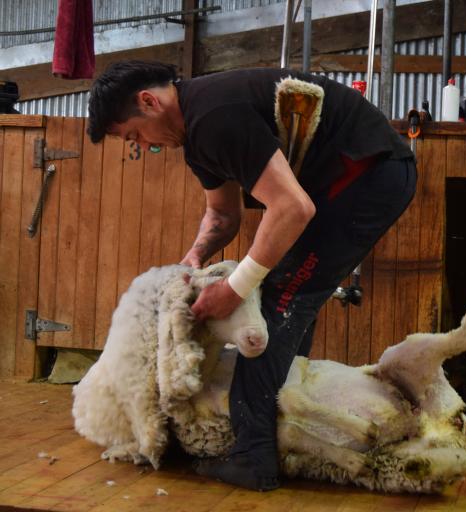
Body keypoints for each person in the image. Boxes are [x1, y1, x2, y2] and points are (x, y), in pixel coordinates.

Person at [87, 60, 416, 491]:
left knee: (279, 299)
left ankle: (253, 457)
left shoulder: (214, 118)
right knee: (287, 294)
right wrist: (193, 260)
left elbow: (293, 208)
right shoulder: (197, 134)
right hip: (350, 180)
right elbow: (222, 216)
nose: (147, 145)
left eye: (135, 135)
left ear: (149, 102)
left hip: (369, 175)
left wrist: (234, 287)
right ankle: (282, 429)